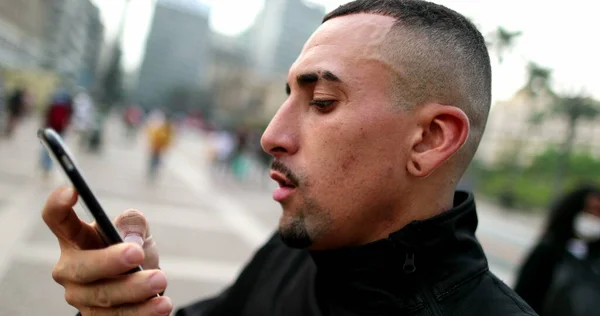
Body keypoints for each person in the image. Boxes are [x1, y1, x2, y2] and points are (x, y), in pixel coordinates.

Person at [40, 1, 537, 315]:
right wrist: (126, 305)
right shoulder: (296, 251)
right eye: (286, 98)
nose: (270, 136)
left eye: (321, 102)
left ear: (430, 138)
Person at [514, 185, 600, 316]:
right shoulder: (548, 251)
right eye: (589, 211)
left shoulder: (595, 260)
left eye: (598, 213)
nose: (593, 218)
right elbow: (522, 295)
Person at [40, 88, 73, 177]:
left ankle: (44, 164)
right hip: (60, 130)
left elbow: (46, 115)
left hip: (50, 128)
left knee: (46, 147)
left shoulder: (54, 104)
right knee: (55, 149)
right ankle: (48, 167)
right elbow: (69, 118)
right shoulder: (67, 106)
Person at [146, 112, 175, 180]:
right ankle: (152, 170)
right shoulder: (163, 125)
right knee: (154, 158)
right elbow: (154, 133)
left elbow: (170, 137)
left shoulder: (168, 126)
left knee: (156, 159)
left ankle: (153, 170)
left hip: (160, 145)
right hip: (156, 145)